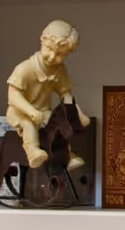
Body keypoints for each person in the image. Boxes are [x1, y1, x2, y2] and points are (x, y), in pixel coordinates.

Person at [6, 19, 89, 169]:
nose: (52, 57)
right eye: (49, 49)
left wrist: (77, 113)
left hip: (43, 112)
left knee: (61, 126)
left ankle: (67, 155)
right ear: (42, 41)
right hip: (20, 112)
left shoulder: (59, 70)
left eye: (59, 55)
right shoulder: (25, 69)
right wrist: (31, 112)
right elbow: (13, 96)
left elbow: (65, 93)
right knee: (28, 124)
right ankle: (32, 152)